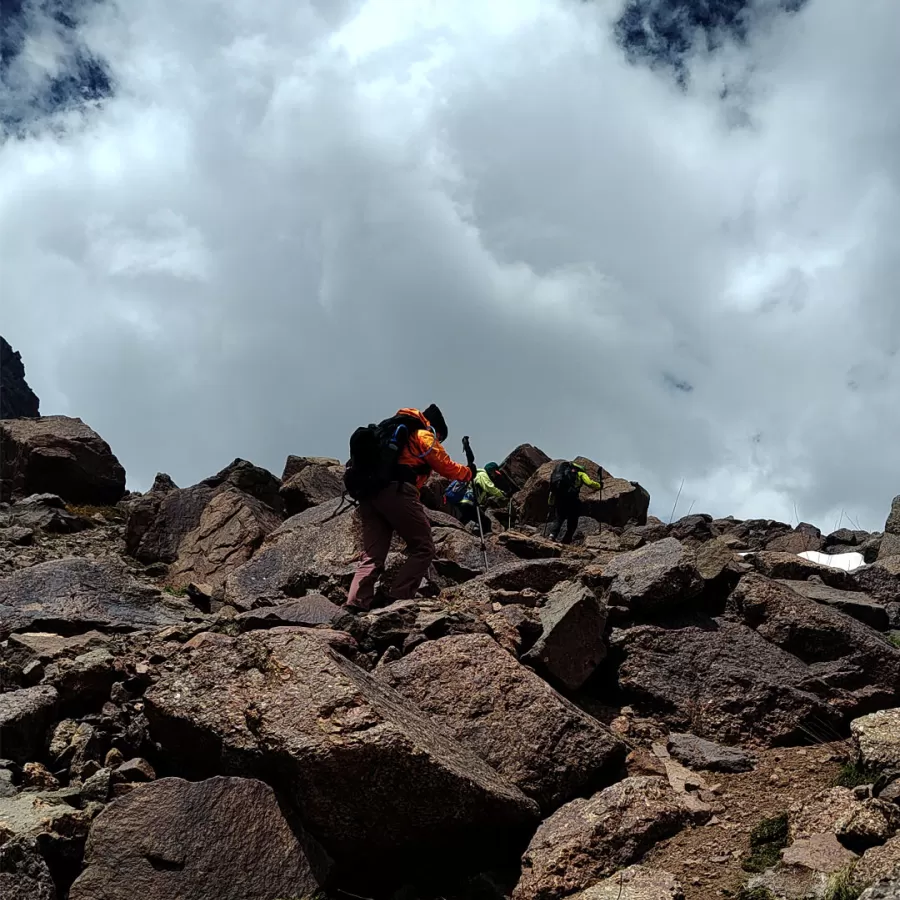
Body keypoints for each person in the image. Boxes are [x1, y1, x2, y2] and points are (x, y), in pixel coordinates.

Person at [344, 405, 474, 613]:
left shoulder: (388, 432)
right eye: (440, 437)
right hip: (397, 492)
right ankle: (398, 597)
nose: (439, 440)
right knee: (423, 547)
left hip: (369, 495)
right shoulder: (422, 433)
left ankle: (356, 603)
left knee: (372, 555)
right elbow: (444, 464)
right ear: (435, 429)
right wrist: (468, 473)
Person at [547, 461, 602, 544]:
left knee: (559, 518)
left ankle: (552, 536)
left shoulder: (562, 474)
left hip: (560, 499)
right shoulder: (580, 473)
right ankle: (566, 540)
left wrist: (550, 503)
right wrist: (599, 485)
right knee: (572, 521)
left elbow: (553, 490)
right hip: (572, 499)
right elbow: (589, 483)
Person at [456, 461, 508, 529]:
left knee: (463, 523)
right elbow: (489, 488)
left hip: (465, 503)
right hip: (469, 503)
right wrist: (502, 495)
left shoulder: (477, 474)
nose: (494, 476)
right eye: (494, 473)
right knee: (486, 523)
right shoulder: (482, 475)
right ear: (490, 471)